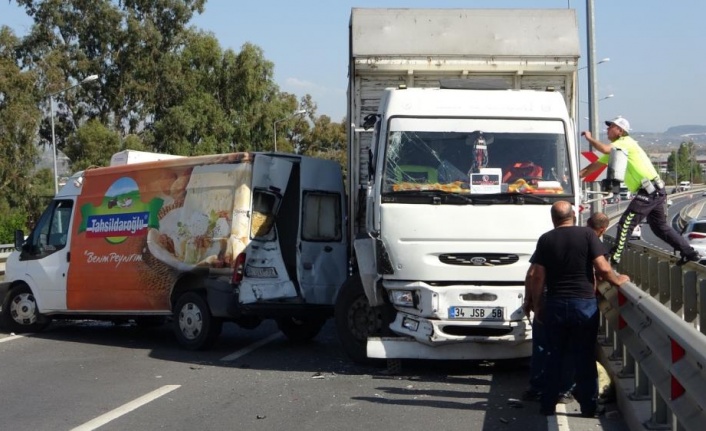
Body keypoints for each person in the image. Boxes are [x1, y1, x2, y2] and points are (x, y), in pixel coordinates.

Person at [524, 201, 630, 417]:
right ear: (573, 215)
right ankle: (589, 408)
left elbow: (536, 275)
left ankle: (547, 406)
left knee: (554, 356)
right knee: (584, 356)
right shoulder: (587, 235)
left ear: (553, 218)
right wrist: (618, 281)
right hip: (583, 304)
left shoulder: (546, 239)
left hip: (555, 304)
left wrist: (537, 304)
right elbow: (602, 267)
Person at [580, 117, 700, 266]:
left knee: (626, 222)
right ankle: (689, 253)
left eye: (611, 126)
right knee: (659, 228)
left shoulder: (625, 143)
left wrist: (590, 138)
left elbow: (604, 148)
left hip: (649, 190)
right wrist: (575, 176)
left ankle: (614, 257)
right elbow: (595, 166)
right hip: (655, 190)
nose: (608, 129)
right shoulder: (617, 149)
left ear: (620, 131)